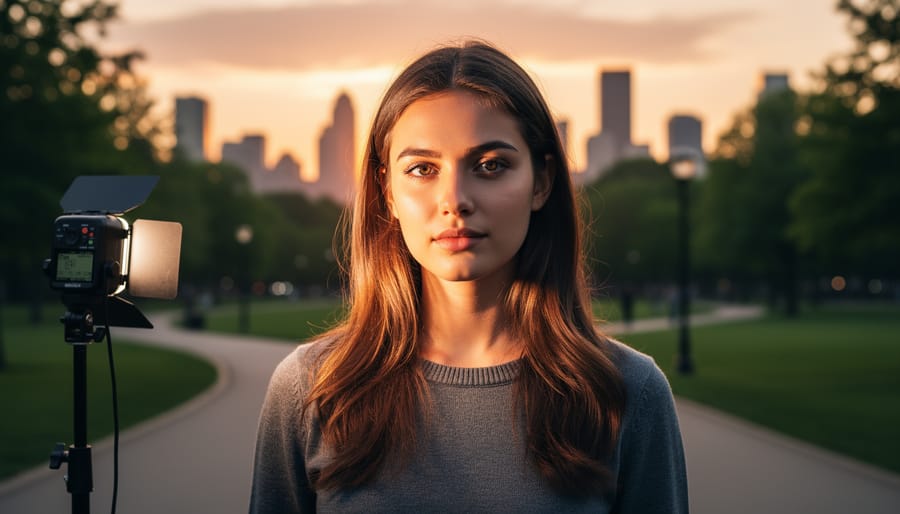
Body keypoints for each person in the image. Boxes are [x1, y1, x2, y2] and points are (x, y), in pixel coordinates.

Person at [249, 40, 688, 513]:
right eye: (422, 169)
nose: (455, 199)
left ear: (542, 182)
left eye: (490, 166)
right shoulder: (310, 389)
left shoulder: (629, 393)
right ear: (387, 190)